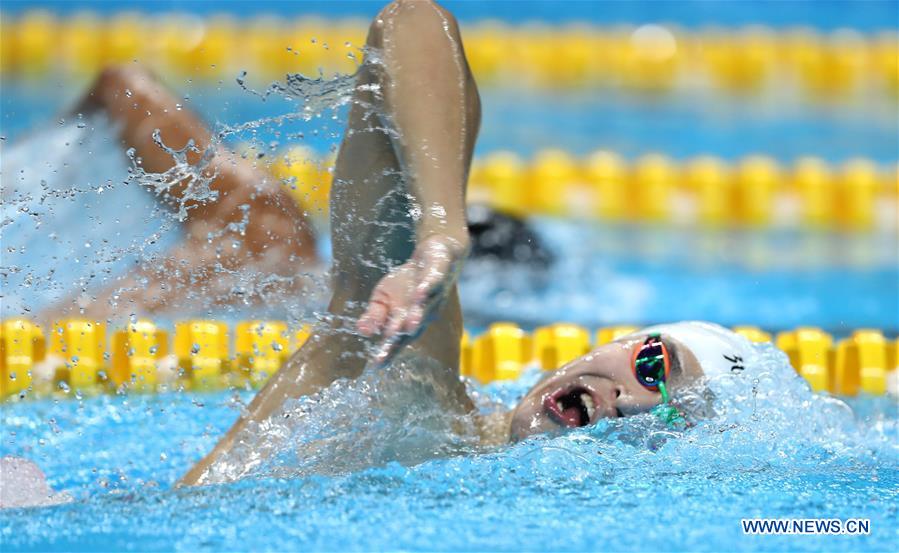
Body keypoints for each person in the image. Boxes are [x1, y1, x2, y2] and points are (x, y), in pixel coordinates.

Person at [179, 0, 760, 486]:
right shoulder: (415, 386)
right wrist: (437, 235)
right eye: (653, 365)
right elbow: (411, 23)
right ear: (618, 341)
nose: (635, 404)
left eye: (671, 424)